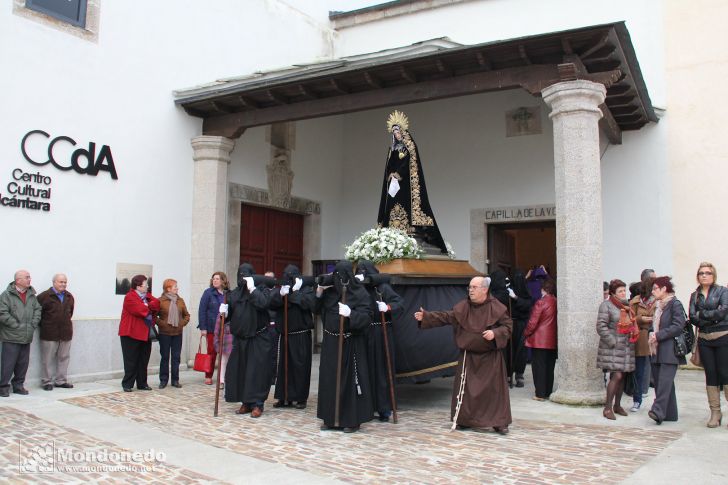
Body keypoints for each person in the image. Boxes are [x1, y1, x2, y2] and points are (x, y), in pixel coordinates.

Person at [414, 276, 513, 434]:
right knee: (466, 391)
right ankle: (465, 419)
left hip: (490, 358)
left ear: (484, 289)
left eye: (474, 287)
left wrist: (495, 333)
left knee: (493, 392)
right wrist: (427, 317)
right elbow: (446, 316)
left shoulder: (497, 307)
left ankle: (498, 422)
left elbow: (508, 327)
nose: (471, 290)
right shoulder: (463, 307)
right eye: (470, 287)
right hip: (469, 357)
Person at [376, 110, 447, 254]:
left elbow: (410, 163)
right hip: (393, 186)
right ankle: (391, 227)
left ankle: (410, 226)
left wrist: (399, 174)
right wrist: (390, 175)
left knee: (407, 205)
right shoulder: (392, 150)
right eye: (394, 132)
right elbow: (388, 166)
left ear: (402, 132)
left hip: (405, 185)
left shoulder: (409, 147)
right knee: (391, 205)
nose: (396, 134)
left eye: (398, 131)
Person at [316, 261, 374, 433]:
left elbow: (367, 317)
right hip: (331, 343)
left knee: (349, 382)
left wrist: (351, 314)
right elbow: (315, 309)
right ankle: (330, 418)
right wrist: (319, 292)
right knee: (330, 379)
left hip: (350, 342)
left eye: (343, 276)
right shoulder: (331, 293)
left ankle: (351, 419)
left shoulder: (360, 293)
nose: (340, 280)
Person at [356, 260, 404, 422]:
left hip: (381, 332)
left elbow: (399, 303)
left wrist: (388, 307)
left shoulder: (382, 288)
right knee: (365, 369)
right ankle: (367, 406)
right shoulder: (359, 288)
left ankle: (384, 408)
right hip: (364, 332)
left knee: (382, 370)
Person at [225, 263, 273, 418]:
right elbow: (230, 315)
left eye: (246, 274)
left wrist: (253, 289)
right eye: (240, 274)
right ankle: (245, 402)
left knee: (257, 372)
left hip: (258, 337)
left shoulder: (261, 289)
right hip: (240, 339)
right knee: (241, 371)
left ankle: (258, 403)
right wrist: (224, 313)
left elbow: (264, 304)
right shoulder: (234, 294)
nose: (242, 277)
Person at [269, 264, 315, 409]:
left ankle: (300, 397)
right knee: (284, 366)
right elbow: (272, 303)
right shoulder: (282, 289)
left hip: (301, 334)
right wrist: (282, 295)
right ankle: (284, 397)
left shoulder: (306, 289)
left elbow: (309, 304)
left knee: (300, 367)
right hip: (285, 334)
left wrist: (294, 293)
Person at [688, 262, 728, 428]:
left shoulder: (722, 291)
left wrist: (702, 314)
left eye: (707, 273)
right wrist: (711, 316)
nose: (704, 275)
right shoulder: (694, 295)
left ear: (713, 275)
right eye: (701, 273)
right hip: (704, 339)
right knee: (710, 374)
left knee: (725, 373)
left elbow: (724, 311)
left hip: (723, 336)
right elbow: (692, 317)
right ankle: (715, 412)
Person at [648, 276, 687, 424]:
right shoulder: (658, 306)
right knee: (662, 382)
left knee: (664, 382)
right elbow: (657, 325)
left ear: (665, 289)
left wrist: (658, 335)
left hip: (670, 350)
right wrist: (653, 334)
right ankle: (670, 414)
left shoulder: (674, 304)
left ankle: (657, 411)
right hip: (657, 349)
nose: (653, 292)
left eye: (655, 288)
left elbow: (678, 326)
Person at [596, 279, 636, 420]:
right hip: (613, 347)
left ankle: (617, 405)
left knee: (622, 376)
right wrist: (612, 341)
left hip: (626, 347)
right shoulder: (606, 306)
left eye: (624, 290)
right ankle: (607, 407)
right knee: (616, 375)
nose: (623, 293)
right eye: (620, 291)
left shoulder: (626, 306)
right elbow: (601, 326)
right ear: (613, 293)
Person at [0, 270, 41, 397]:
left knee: (23, 364)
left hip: (26, 336)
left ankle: (18, 385)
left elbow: (38, 309)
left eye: (29, 277)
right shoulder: (6, 295)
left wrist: (33, 324)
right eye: (27, 277)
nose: (30, 279)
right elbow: (3, 313)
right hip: (11, 336)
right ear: (18, 280)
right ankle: (3, 387)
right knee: (8, 364)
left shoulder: (31, 296)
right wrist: (16, 325)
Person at [118, 275, 160, 392]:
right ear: (138, 286)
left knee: (143, 359)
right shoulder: (129, 297)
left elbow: (157, 304)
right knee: (131, 360)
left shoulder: (147, 296)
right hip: (130, 333)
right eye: (145, 284)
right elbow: (140, 310)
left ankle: (142, 383)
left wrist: (147, 305)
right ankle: (127, 384)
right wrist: (147, 306)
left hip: (145, 333)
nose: (147, 286)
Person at [37, 273, 75, 391]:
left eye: (65, 282)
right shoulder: (44, 296)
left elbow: (70, 313)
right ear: (54, 282)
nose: (63, 284)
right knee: (47, 359)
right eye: (61, 282)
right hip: (49, 333)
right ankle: (46, 381)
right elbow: (38, 315)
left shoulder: (69, 296)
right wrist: (46, 326)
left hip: (65, 333)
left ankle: (61, 381)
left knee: (64, 357)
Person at [523, 278, 557, 401]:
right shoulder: (556, 301)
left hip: (539, 340)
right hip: (553, 340)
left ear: (544, 289)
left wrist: (526, 333)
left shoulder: (540, 302)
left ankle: (540, 394)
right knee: (549, 367)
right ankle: (548, 391)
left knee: (539, 368)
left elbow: (532, 322)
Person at [156, 278, 190, 389]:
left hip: (177, 333)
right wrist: (162, 324)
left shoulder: (180, 300)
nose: (177, 288)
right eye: (175, 287)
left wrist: (182, 323)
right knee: (165, 357)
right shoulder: (160, 301)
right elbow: (153, 316)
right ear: (168, 288)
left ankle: (175, 380)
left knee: (176, 357)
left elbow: (187, 315)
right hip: (164, 333)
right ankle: (163, 380)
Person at [629, 273, 656, 412]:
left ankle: (659, 403)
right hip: (640, 338)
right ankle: (637, 399)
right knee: (639, 371)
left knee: (657, 370)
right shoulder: (635, 301)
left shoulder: (658, 301)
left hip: (656, 337)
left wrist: (647, 318)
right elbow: (630, 319)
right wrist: (642, 319)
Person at [198, 272, 228, 385]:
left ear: (223, 281)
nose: (215, 281)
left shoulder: (227, 294)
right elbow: (202, 310)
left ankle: (222, 376)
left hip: (225, 327)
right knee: (212, 351)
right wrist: (203, 327)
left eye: (217, 279)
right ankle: (208, 375)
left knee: (224, 353)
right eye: (213, 279)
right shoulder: (208, 293)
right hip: (211, 327)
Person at [504, 269, 533, 388]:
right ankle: (508, 374)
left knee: (521, 351)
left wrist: (515, 297)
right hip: (510, 323)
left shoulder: (525, 292)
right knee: (509, 350)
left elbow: (527, 305)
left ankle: (519, 375)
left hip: (521, 324)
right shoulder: (509, 289)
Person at [264, 270, 279, 386]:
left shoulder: (278, 292)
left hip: (273, 326)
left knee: (273, 353)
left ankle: (272, 376)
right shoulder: (260, 291)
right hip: (262, 327)